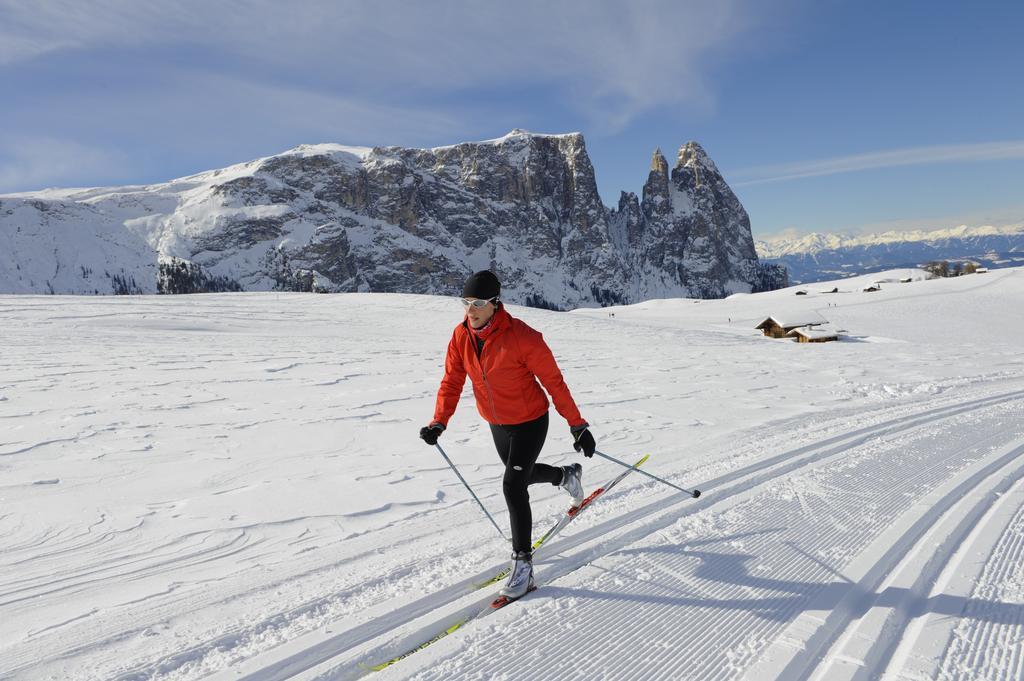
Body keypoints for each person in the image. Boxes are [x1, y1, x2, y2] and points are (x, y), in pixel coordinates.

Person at [419, 270, 596, 599]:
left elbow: (554, 383)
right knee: (521, 477)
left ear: (495, 304)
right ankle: (566, 477)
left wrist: (577, 425)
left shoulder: (523, 337)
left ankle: (523, 568)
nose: (470, 310)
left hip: (530, 420)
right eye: (466, 302)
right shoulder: (461, 337)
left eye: (479, 303)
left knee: (512, 484)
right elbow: (452, 380)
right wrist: (438, 421)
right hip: (497, 423)